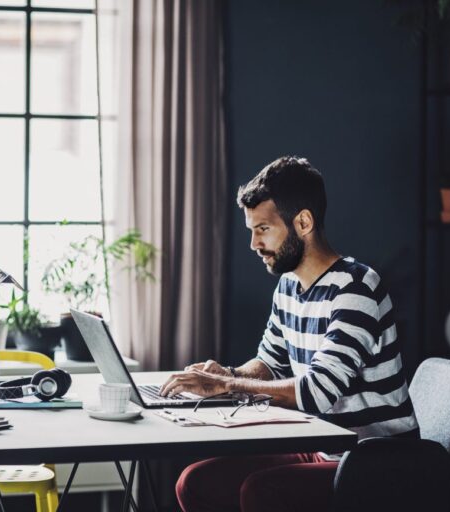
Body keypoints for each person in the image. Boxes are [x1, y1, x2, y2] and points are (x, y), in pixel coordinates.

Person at [160, 156, 419, 512]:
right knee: (197, 483)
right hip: (321, 447)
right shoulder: (288, 286)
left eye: (263, 229)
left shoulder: (356, 289)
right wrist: (226, 374)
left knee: (263, 492)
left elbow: (317, 392)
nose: (253, 243)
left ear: (303, 222)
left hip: (374, 463)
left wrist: (229, 387)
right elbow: (270, 362)